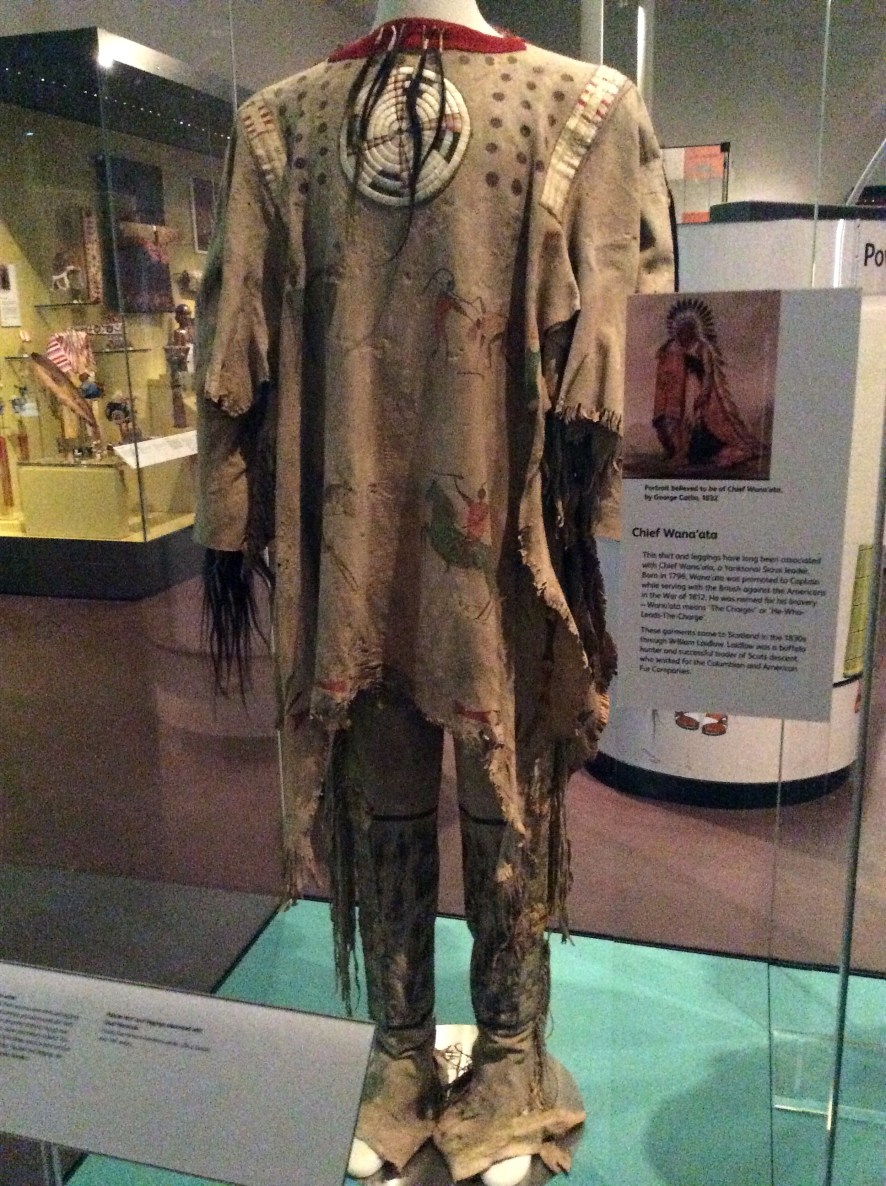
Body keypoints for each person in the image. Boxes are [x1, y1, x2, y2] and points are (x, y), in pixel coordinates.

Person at [195, 2, 674, 1182]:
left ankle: (507, 1055)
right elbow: (234, 338)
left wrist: (234, 518)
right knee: (397, 763)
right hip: (371, 522)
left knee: (493, 771)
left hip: (493, 527)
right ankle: (404, 1049)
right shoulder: (279, 129)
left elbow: (619, 341)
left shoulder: (582, 107)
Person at [653, 297, 759, 470]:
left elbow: (708, 372)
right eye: (680, 330)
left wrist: (703, 393)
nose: (683, 333)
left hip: (696, 389)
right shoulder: (674, 347)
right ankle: (680, 451)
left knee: (693, 421)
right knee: (676, 420)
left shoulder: (703, 347)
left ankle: (689, 453)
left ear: (693, 329)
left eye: (687, 329)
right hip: (680, 391)